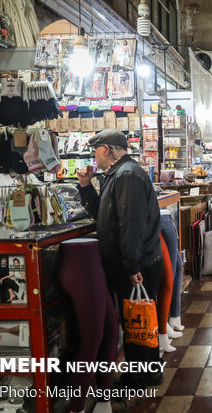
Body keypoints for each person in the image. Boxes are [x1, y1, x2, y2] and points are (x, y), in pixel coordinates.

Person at [77, 129, 163, 390]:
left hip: (138, 264)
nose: (95, 157)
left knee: (136, 323)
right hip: (135, 262)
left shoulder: (126, 175)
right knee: (142, 320)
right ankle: (150, 373)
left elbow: (131, 225)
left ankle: (136, 380)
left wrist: (132, 265)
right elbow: (102, 214)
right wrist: (85, 187)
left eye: (95, 151)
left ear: (106, 149)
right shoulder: (117, 175)